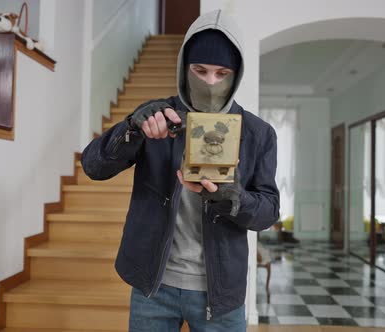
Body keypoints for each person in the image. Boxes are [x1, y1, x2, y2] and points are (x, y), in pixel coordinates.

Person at [81, 9, 279, 332]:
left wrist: (234, 199)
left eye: (221, 72)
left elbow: (269, 211)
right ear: (184, 67)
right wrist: (131, 128)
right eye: (199, 70)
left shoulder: (259, 134)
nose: (210, 82)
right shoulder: (156, 118)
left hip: (222, 293)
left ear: (236, 74)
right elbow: (92, 166)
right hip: (153, 287)